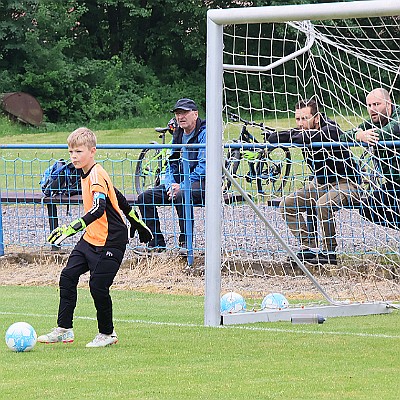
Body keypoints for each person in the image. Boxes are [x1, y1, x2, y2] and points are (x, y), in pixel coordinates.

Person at [37, 127, 152, 348]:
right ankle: (64, 330)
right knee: (68, 276)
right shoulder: (85, 173)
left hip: (112, 240)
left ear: (93, 151)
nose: (73, 156)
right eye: (71, 151)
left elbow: (99, 208)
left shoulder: (97, 174)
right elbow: (117, 196)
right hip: (90, 239)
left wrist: (72, 227)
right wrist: (135, 219)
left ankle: (107, 334)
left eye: (78, 151)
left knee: (98, 286)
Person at [268, 98, 361, 265]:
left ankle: (329, 252)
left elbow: (309, 137)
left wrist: (289, 136)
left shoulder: (331, 129)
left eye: (305, 118)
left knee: (322, 205)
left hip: (346, 183)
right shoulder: (302, 132)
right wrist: (280, 135)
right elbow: (281, 137)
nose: (301, 123)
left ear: (316, 118)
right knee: (287, 205)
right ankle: (308, 247)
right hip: (320, 183)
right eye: (297, 119)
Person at [137, 98, 206, 251]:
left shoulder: (205, 134)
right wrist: (169, 185)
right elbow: (170, 164)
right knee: (144, 198)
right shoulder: (178, 134)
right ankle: (156, 243)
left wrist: (181, 185)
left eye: (184, 113)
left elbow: (204, 168)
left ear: (195, 114)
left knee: (182, 194)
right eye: (177, 113)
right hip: (177, 184)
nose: (180, 117)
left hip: (202, 183)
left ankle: (185, 244)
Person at [340, 88, 400, 229]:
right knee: (367, 208)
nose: (372, 109)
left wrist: (370, 135)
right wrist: (358, 135)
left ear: (388, 104)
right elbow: (342, 136)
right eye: (369, 105)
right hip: (394, 183)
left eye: (376, 104)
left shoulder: (397, 116)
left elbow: (392, 130)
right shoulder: (373, 123)